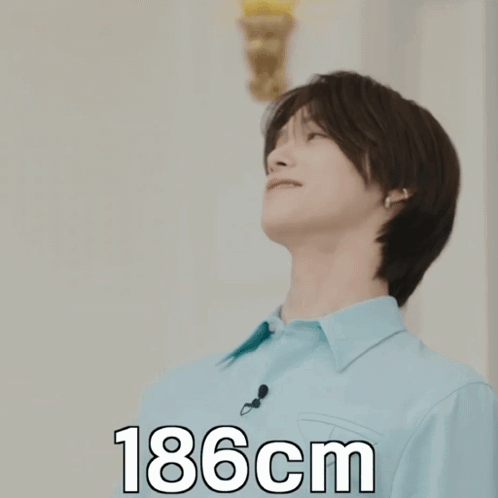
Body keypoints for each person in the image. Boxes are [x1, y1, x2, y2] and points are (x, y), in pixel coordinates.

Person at [112, 70, 497, 497]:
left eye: (315, 136)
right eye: (277, 143)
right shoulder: (175, 394)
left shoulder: (443, 401)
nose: (276, 157)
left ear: (398, 186)